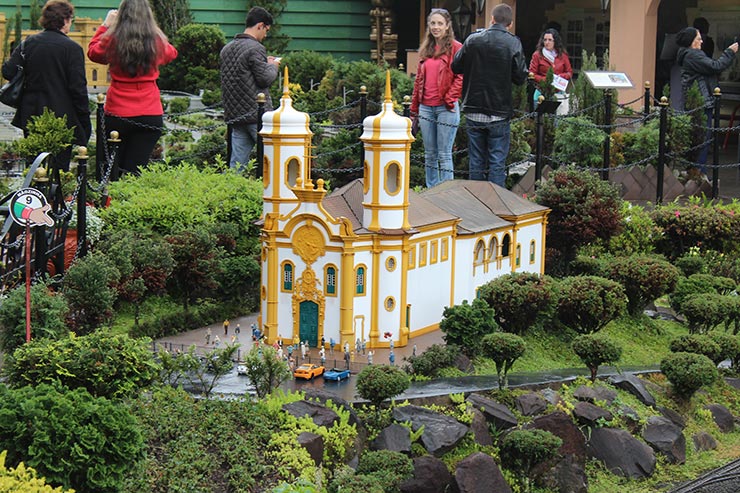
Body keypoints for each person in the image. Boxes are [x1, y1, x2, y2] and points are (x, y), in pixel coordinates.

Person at [87, 0, 177, 177]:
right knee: (135, 171)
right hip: (149, 112)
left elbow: (93, 52)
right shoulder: (155, 40)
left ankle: (110, 202)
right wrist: (154, 31)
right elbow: (171, 53)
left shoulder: (113, 39)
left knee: (111, 169)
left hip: (118, 112)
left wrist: (105, 26)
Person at [2, 0, 91, 171]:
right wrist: (84, 121)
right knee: (59, 168)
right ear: (65, 19)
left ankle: (33, 196)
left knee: (34, 167)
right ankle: (55, 198)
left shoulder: (29, 43)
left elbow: (8, 71)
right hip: (62, 116)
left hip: (32, 113)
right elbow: (78, 88)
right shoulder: (72, 48)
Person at [451, 4, 527, 187]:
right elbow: (520, 77)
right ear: (510, 24)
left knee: (476, 161)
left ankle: (477, 207)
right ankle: (496, 208)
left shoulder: (473, 39)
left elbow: (456, 66)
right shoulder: (513, 43)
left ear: (492, 19)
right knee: (497, 163)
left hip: (474, 107)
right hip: (499, 110)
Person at [220, 7, 280, 171]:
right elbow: (264, 79)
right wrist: (273, 66)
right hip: (256, 115)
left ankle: (231, 194)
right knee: (271, 161)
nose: (265, 35)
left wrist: (264, 64)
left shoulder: (227, 48)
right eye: (266, 30)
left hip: (236, 115)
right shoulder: (255, 48)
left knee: (236, 166)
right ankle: (271, 195)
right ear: (260, 25)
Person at [410, 8, 463, 189]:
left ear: (447, 26)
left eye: (440, 23)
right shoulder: (426, 48)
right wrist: (414, 108)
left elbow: (461, 76)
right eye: (433, 23)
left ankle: (446, 192)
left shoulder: (457, 47)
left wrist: (449, 98)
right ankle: (432, 189)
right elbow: (418, 80)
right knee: (429, 153)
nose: (436, 27)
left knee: (444, 154)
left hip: (446, 108)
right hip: (426, 107)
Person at [675, 26, 738, 170]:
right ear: (691, 41)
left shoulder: (689, 54)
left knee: (700, 139)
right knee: (702, 140)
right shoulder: (693, 55)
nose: (702, 41)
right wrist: (729, 52)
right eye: (698, 39)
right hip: (701, 102)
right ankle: (698, 173)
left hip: (698, 101)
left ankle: (696, 172)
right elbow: (716, 66)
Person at [529, 28, 572, 115]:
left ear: (555, 41)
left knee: (557, 122)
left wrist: (560, 77)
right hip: (541, 92)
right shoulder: (537, 55)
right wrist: (546, 80)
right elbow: (532, 74)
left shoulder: (563, 55)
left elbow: (569, 72)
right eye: (545, 40)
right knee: (541, 122)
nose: (547, 42)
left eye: (550, 40)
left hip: (557, 92)